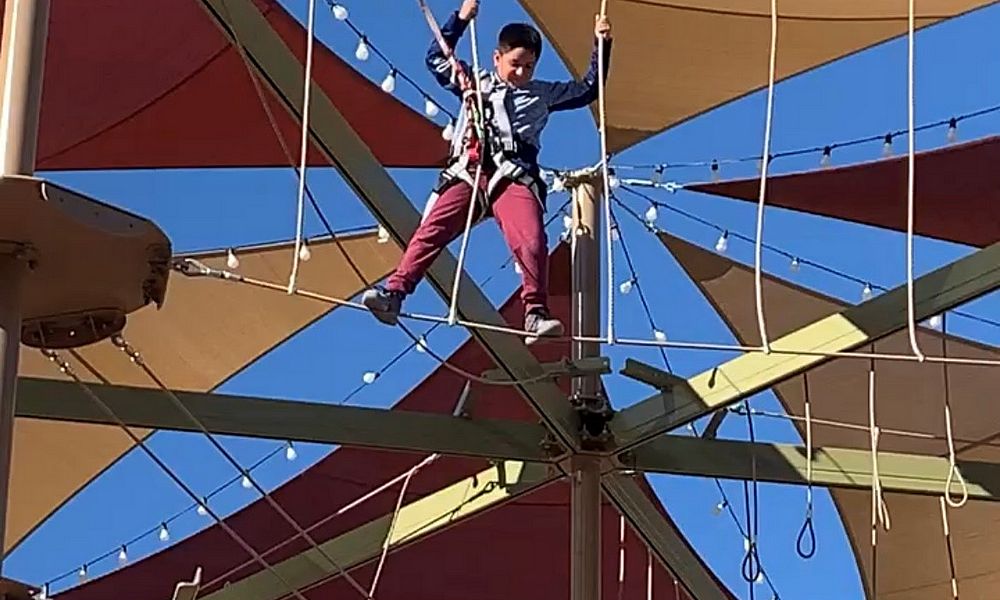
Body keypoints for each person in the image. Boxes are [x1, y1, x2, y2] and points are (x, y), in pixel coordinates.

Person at [363, 0, 612, 345]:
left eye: (529, 66)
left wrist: (602, 43)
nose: (522, 73)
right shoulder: (473, 81)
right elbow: (437, 58)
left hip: (512, 174)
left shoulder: (543, 94)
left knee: (531, 239)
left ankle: (535, 313)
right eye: (515, 65)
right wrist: (462, 18)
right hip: (469, 171)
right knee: (430, 231)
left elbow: (587, 88)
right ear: (497, 58)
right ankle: (394, 293)